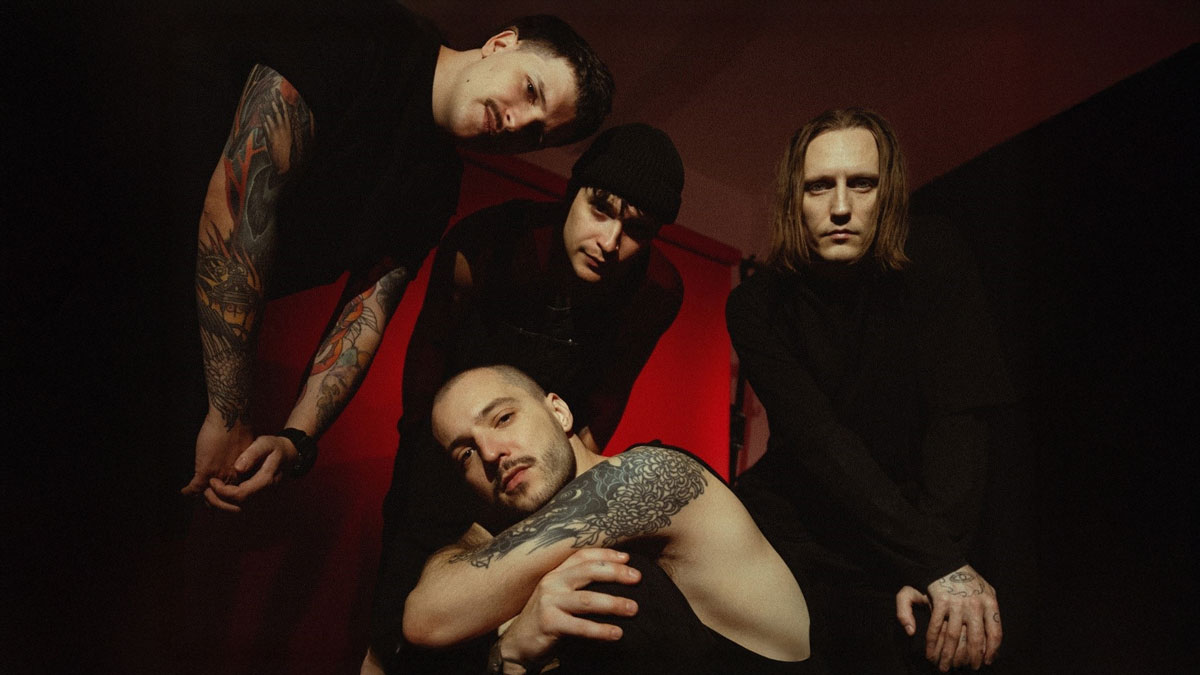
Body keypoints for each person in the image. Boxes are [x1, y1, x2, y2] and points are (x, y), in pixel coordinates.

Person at [179, 3, 614, 511]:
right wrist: (229, 414)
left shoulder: (437, 183)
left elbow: (367, 309)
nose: (517, 123)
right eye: (531, 90)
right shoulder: (357, 31)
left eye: (537, 133)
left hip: (181, 338)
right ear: (501, 44)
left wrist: (296, 440)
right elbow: (237, 208)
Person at [368, 123, 686, 670]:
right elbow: (431, 350)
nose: (610, 242)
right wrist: (425, 457)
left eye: (637, 228)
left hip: (543, 476)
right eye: (601, 209)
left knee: (518, 637)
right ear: (572, 192)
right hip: (449, 460)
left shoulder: (654, 291)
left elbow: (608, 393)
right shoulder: (490, 242)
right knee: (397, 627)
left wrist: (573, 497)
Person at [725, 108, 1014, 673]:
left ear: (889, 193)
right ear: (793, 200)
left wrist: (936, 562)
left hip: (911, 522)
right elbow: (820, 442)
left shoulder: (934, 255)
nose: (840, 207)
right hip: (797, 525)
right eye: (818, 186)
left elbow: (960, 417)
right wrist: (933, 559)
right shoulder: (756, 305)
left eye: (861, 183)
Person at [401, 365, 821, 674]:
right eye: (466, 454)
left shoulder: (648, 476)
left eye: (503, 418)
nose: (492, 453)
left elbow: (426, 617)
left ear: (560, 412)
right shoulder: (537, 535)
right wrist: (507, 652)